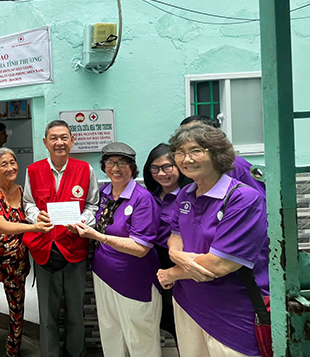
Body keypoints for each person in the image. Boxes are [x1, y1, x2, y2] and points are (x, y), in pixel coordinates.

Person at [157, 124, 269, 356]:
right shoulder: (185, 195)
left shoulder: (242, 199)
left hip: (233, 311)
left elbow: (220, 265)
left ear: (217, 153)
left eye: (195, 150)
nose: (186, 159)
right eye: (179, 152)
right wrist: (176, 255)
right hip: (188, 303)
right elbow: (175, 237)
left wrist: (171, 273)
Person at [75, 142, 162, 357]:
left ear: (132, 167)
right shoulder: (103, 194)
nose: (116, 168)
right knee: (111, 333)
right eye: (110, 163)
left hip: (135, 280)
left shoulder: (142, 199)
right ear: (104, 167)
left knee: (140, 338)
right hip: (103, 275)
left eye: (123, 163)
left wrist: (99, 237)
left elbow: (141, 248)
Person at [22, 120, 99, 357]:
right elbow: (28, 203)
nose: (59, 143)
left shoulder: (85, 170)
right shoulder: (33, 170)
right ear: (45, 142)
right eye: (54, 138)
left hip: (75, 248)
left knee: (76, 309)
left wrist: (82, 222)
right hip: (44, 250)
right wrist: (36, 216)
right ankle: (50, 353)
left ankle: (76, 352)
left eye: (64, 137)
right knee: (47, 312)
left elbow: (93, 204)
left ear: (72, 141)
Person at [0, 147, 53, 357]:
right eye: (4, 164)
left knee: (17, 309)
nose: (10, 168)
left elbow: (34, 213)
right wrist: (34, 228)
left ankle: (13, 350)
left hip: (16, 262)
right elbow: (0, 226)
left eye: (12, 162)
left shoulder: (22, 191)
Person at [143, 143, 191, 345]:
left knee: (186, 317)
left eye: (166, 167)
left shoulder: (190, 195)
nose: (161, 173)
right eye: (155, 168)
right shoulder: (148, 197)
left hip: (181, 262)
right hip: (154, 263)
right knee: (165, 316)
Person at [180, 115, 266, 195]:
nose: (187, 137)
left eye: (194, 132)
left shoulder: (236, 165)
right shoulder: (184, 166)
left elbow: (260, 198)